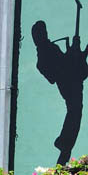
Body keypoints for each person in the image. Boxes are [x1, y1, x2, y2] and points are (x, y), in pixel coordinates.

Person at [33, 13, 88, 164]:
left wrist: (74, 51)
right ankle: (64, 143)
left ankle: (65, 143)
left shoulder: (50, 48)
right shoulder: (44, 55)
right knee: (75, 111)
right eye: (40, 34)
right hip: (68, 84)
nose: (44, 35)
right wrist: (73, 53)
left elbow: (65, 63)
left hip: (71, 82)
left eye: (43, 32)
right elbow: (55, 74)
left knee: (75, 112)